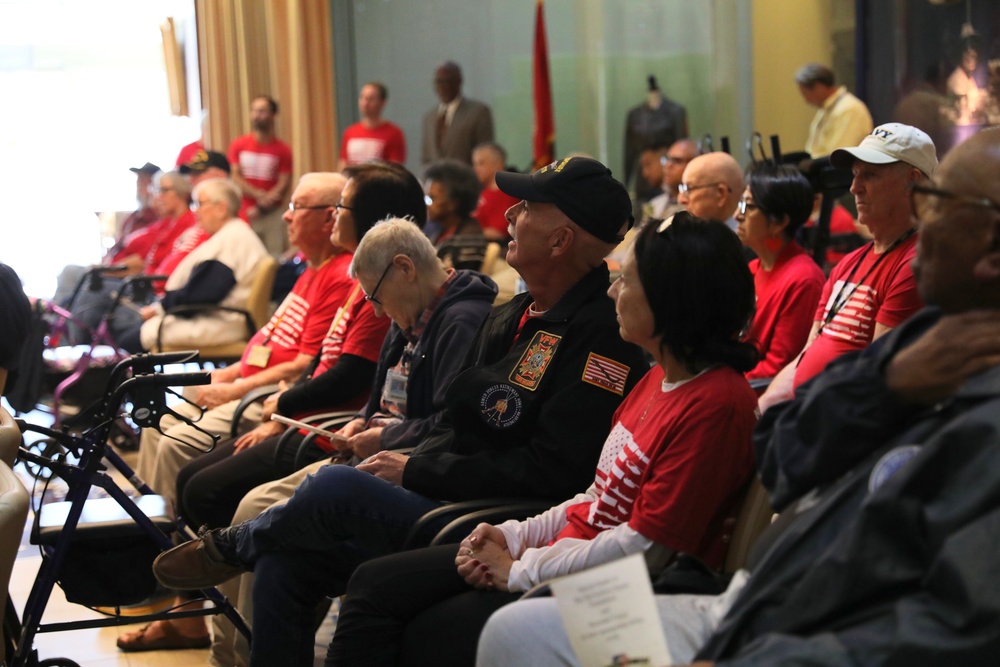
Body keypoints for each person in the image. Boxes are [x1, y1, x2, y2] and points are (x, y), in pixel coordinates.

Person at [475, 124, 1000, 667]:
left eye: (937, 200)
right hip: (760, 601)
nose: (923, 219)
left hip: (798, 633)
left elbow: (950, 622)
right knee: (511, 634)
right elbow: (783, 456)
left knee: (489, 625)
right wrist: (885, 384)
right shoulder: (923, 342)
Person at [152, 156, 649, 667]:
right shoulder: (512, 315)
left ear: (561, 240)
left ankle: (232, 546)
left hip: (491, 521)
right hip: (441, 492)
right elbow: (453, 422)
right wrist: (401, 458)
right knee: (283, 564)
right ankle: (244, 550)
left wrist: (415, 466)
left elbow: (551, 473)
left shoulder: (599, 338)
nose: (508, 217)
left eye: (525, 208)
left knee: (332, 487)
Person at [325, 213, 761, 667]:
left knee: (421, 626)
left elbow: (646, 550)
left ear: (672, 300)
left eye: (627, 282)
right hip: (564, 556)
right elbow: (596, 496)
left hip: (626, 592)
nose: (611, 291)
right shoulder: (655, 380)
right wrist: (514, 535)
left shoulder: (716, 404)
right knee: (373, 583)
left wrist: (519, 570)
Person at [762, 123, 935, 408]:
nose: (854, 187)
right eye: (855, 175)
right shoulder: (850, 263)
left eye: (870, 175)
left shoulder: (917, 261)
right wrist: (763, 408)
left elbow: (877, 379)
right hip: (807, 414)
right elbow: (807, 354)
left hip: (840, 423)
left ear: (913, 182)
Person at [119, 179, 271, 353]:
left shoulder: (232, 240)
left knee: (126, 340)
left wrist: (160, 308)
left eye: (200, 204)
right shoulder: (233, 234)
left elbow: (203, 294)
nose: (195, 212)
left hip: (219, 323)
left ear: (221, 209)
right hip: (218, 317)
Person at [735, 164, 825, 381]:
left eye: (748, 206)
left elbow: (779, 369)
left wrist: (720, 384)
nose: (737, 214)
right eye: (740, 204)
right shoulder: (752, 268)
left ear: (780, 222)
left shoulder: (803, 280)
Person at [228, 95, 294, 257]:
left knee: (273, 259)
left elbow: (283, 183)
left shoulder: (283, 150)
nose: (257, 115)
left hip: (271, 214)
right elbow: (235, 175)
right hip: (244, 211)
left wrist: (263, 205)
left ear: (273, 115)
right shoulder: (239, 144)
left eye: (262, 111)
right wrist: (258, 195)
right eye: (254, 111)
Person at [421, 62, 494, 165]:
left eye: (448, 82)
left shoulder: (478, 113)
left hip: (465, 179)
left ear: (459, 82)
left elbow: (485, 155)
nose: (443, 87)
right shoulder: (429, 118)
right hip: (436, 178)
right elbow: (426, 158)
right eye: (439, 82)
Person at [796, 63, 874, 159]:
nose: (806, 100)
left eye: (805, 94)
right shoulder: (826, 109)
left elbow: (840, 155)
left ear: (818, 86)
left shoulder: (850, 109)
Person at [422, 159, 487, 271]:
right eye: (426, 197)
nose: (426, 205)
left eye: (432, 198)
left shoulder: (468, 240)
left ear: (453, 203)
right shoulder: (439, 229)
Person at [338, 82, 407, 170]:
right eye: (363, 98)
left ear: (382, 103)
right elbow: (343, 164)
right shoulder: (350, 132)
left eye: (371, 99)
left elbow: (395, 168)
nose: (365, 103)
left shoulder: (394, 133)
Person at [676, 152, 744, 230]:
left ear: (721, 194)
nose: (680, 199)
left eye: (688, 189)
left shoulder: (747, 240)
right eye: (682, 188)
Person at [471, 142, 518, 242]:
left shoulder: (506, 193)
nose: (476, 169)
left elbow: (498, 233)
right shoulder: (484, 192)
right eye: (475, 164)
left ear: (498, 164)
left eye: (481, 163)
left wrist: (469, 233)